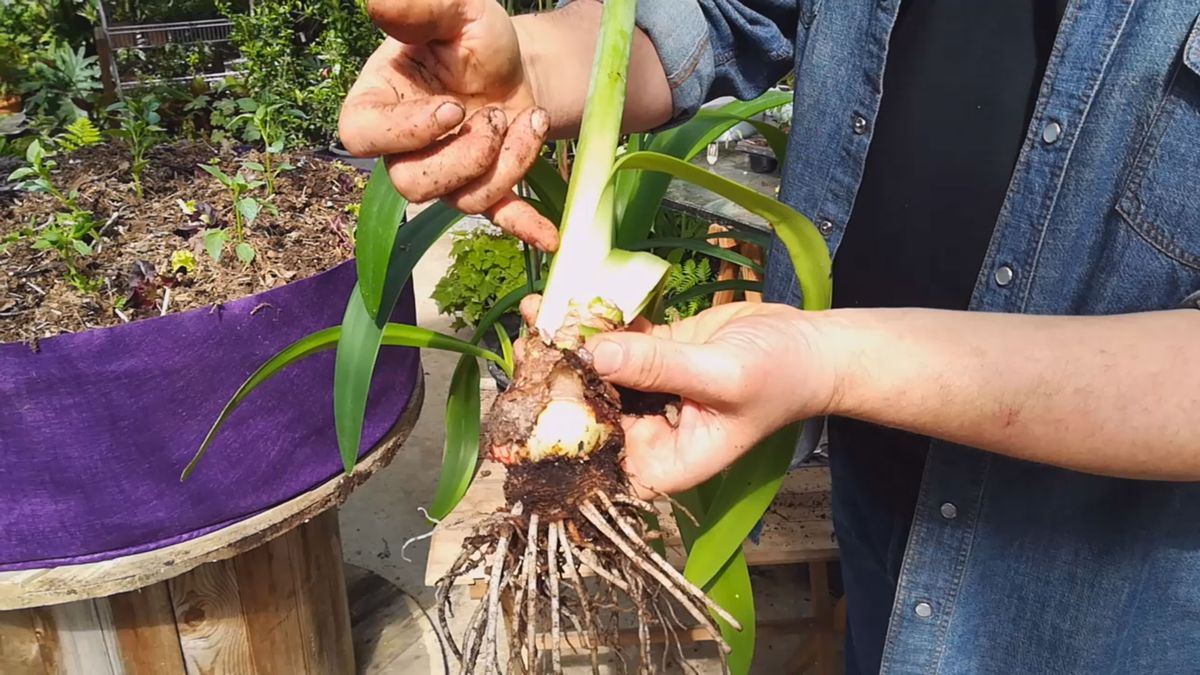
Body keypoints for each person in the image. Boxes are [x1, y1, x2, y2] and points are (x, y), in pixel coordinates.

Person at [339, 1, 1200, 672]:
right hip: (881, 500)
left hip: (1121, 603)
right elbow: (721, 18)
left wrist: (829, 361)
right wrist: (528, 67)